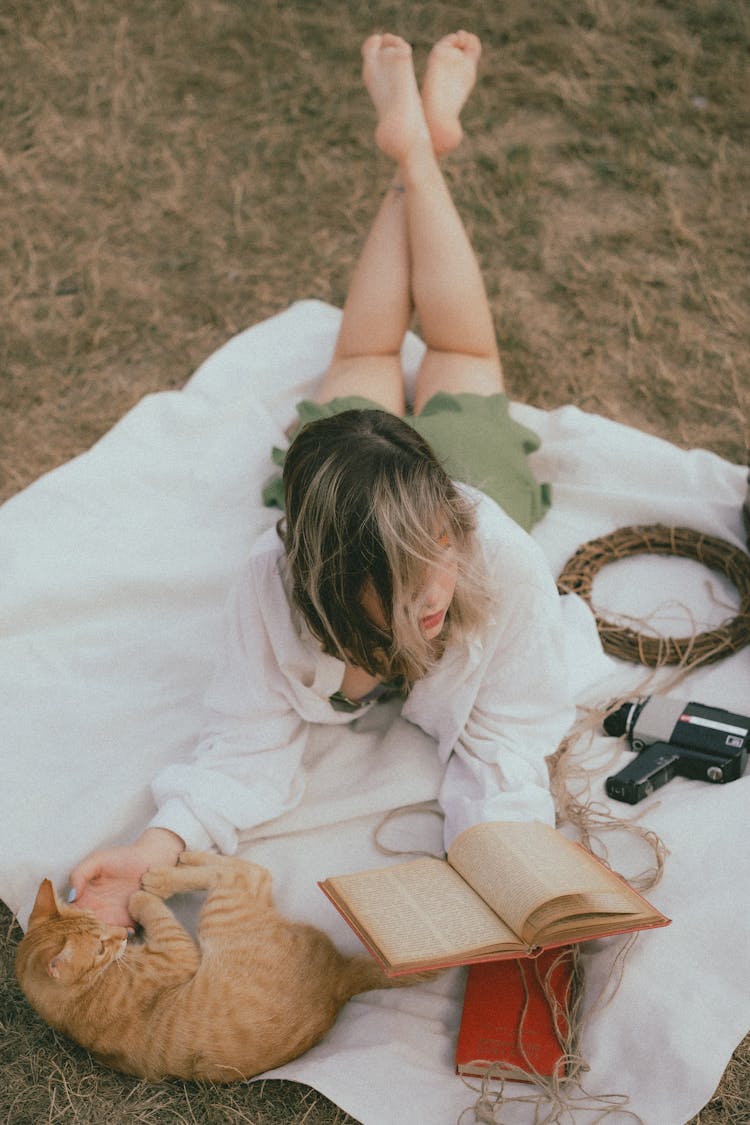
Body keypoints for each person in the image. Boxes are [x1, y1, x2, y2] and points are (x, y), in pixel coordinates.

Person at [70, 32, 575, 927]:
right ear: (331, 587)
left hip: (430, 473)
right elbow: (241, 745)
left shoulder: (490, 559)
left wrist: (506, 860)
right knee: (369, 350)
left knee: (455, 351)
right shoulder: (275, 587)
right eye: (401, 591)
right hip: (347, 475)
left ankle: (419, 146)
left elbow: (511, 736)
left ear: (453, 529)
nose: (433, 603)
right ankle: (416, 146)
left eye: (435, 568)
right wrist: (156, 848)